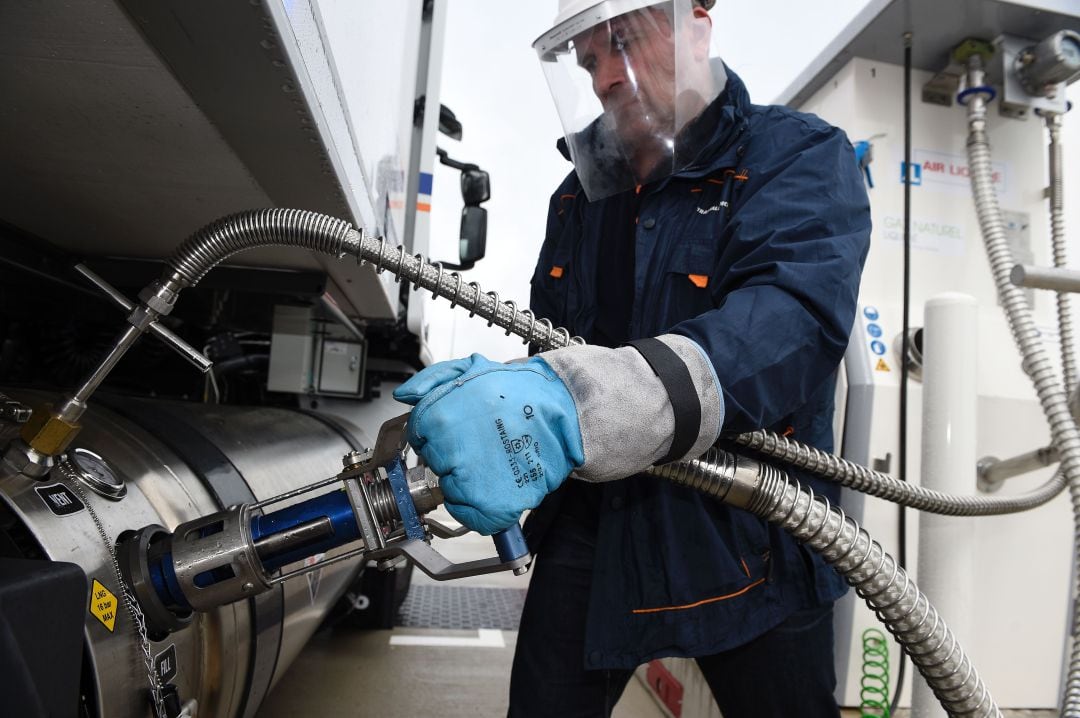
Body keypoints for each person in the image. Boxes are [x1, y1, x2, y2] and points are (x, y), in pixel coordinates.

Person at [394, 1, 871, 715]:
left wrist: (590, 403)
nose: (605, 78)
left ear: (696, 25)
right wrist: (517, 396)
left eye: (622, 43)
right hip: (596, 520)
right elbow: (553, 338)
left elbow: (787, 323)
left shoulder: (796, 156)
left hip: (750, 531)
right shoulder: (580, 196)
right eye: (587, 61)